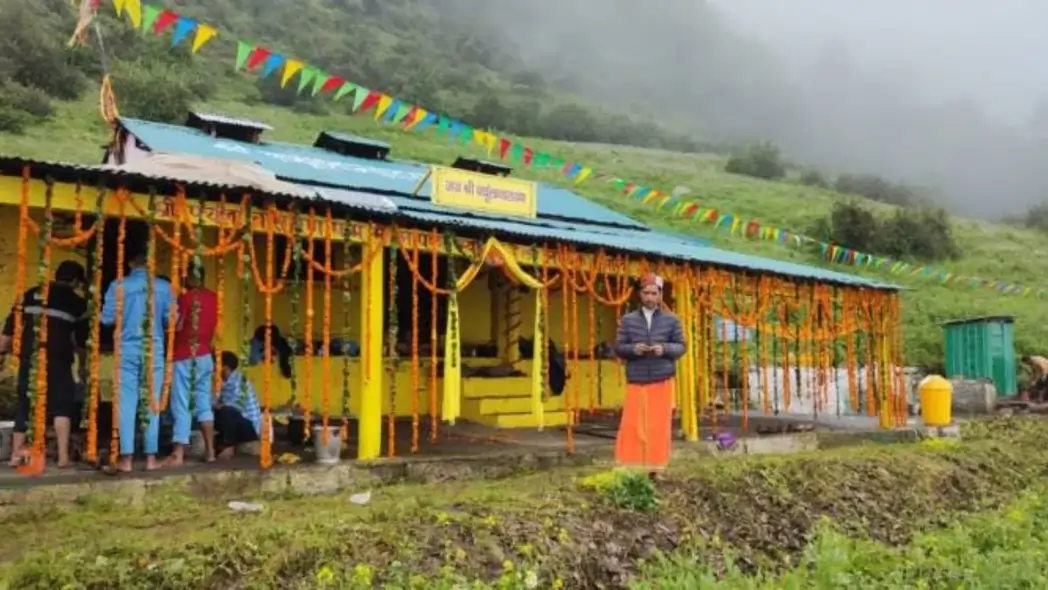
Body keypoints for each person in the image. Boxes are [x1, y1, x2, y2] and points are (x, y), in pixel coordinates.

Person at [0, 261, 88, 468]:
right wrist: (83, 367)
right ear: (75, 281)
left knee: (24, 405)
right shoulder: (77, 303)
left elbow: (8, 332)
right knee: (62, 407)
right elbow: (82, 342)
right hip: (59, 360)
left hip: (29, 358)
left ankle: (14, 456)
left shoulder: (30, 294)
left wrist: (1, 354)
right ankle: (63, 457)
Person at [100, 245, 176, 472]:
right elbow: (170, 320)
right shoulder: (165, 287)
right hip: (154, 348)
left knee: (126, 403)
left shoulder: (118, 286)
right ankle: (151, 459)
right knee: (152, 403)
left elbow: (107, 319)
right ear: (151, 264)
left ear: (131, 264)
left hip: (127, 349)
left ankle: (127, 460)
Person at [612, 273, 686, 479]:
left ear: (660, 295)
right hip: (637, 378)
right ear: (639, 294)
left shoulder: (672, 320)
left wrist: (665, 348)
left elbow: (681, 347)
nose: (650, 297)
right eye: (646, 293)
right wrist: (633, 349)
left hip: (662, 378)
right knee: (632, 424)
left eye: (654, 293)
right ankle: (630, 466)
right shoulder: (627, 320)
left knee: (659, 426)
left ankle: (657, 468)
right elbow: (618, 347)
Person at [165, 262, 218, 466]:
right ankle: (210, 451)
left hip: (185, 355)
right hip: (205, 355)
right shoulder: (214, 298)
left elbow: (177, 324)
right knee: (204, 404)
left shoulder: (186, 298)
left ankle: (178, 454)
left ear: (188, 277)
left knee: (182, 404)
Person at [214, 350, 263, 460]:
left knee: (228, 412)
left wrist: (218, 405)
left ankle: (229, 446)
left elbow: (235, 406)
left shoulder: (240, 380)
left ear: (224, 367)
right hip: (237, 423)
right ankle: (220, 444)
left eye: (216, 364)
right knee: (209, 415)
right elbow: (216, 402)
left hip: (249, 428)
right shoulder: (224, 382)